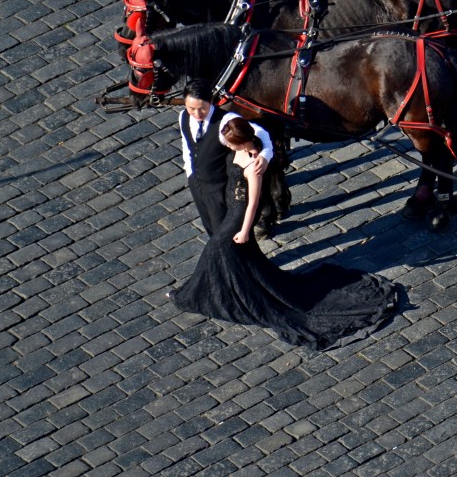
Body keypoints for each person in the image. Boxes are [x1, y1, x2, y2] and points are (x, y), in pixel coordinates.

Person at [170, 117, 401, 350]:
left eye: (231, 144)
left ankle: (192, 296)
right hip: (231, 207)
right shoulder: (242, 147)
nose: (228, 147)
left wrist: (244, 231)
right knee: (234, 256)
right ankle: (230, 289)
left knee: (215, 247)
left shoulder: (254, 166)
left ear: (241, 142)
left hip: (239, 216)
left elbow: (252, 203)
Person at [180, 79, 274, 238]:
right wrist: (190, 172)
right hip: (197, 184)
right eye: (191, 109)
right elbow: (186, 145)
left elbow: (259, 132)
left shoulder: (225, 120)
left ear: (210, 102)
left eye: (202, 109)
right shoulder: (184, 117)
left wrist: (265, 154)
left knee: (223, 233)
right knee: (210, 227)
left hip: (220, 187)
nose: (197, 114)